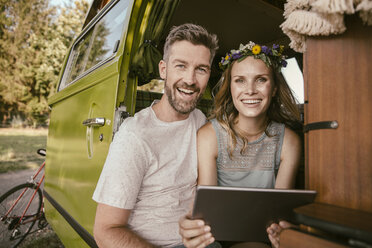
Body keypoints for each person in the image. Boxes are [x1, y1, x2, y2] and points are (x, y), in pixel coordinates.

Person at [92, 23, 219, 248]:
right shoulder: (135, 136)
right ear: (163, 69)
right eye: (180, 66)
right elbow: (105, 232)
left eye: (201, 69)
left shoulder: (199, 120)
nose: (190, 80)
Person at [179, 42, 302, 248]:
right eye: (240, 81)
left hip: (261, 239)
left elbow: (279, 213)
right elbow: (207, 208)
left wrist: (282, 232)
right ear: (231, 88)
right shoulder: (209, 135)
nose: (251, 90)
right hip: (216, 238)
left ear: (274, 89)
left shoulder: (289, 141)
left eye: (261, 80)